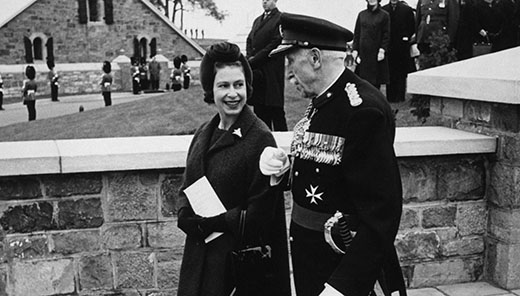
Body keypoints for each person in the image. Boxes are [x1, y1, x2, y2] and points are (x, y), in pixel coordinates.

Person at [259, 13, 407, 296]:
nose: (288, 74)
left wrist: (343, 286)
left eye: (291, 61)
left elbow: (381, 214)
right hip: (313, 259)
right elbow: (330, 172)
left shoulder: (362, 111)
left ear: (315, 58)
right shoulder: (324, 100)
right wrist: (286, 169)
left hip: (342, 267)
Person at [176, 41, 291, 296]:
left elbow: (261, 216)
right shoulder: (203, 133)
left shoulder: (260, 138)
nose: (233, 94)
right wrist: (184, 211)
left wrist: (212, 223)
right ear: (210, 88)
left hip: (236, 271)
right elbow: (188, 185)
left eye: (238, 85)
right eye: (223, 85)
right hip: (199, 263)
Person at [246, 0, 288, 131]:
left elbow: (275, 43)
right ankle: (264, 143)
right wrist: (248, 58)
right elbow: (249, 40)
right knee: (260, 110)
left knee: (275, 110)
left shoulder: (281, 19)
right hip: (258, 73)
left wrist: (254, 60)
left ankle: (283, 144)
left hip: (271, 72)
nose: (264, 2)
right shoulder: (257, 20)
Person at [382, 0, 416, 102]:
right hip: (389, 45)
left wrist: (406, 37)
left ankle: (400, 96)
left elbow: (412, 26)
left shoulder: (406, 9)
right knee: (390, 71)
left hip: (402, 45)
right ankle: (391, 97)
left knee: (401, 72)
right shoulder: (384, 9)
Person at [352, 0, 391, 90]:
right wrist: (355, 50)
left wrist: (382, 50)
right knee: (362, 81)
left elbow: (386, 35)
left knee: (375, 82)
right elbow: (357, 34)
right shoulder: (361, 15)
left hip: (376, 54)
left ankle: (375, 101)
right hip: (363, 54)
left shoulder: (384, 15)